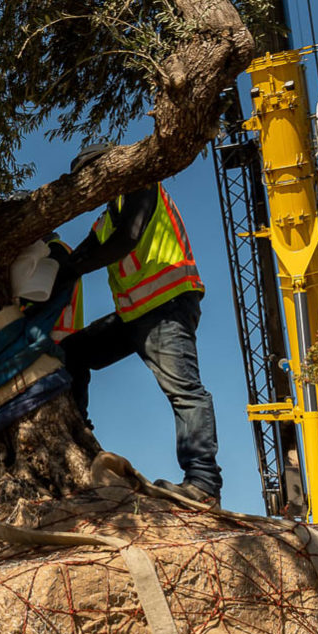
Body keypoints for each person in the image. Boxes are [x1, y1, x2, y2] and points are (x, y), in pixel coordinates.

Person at [56, 142, 222, 504]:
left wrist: (72, 268)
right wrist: (58, 268)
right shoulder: (108, 215)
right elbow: (85, 252)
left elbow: (126, 239)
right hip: (136, 314)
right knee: (73, 351)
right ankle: (78, 439)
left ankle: (204, 483)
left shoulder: (141, 185)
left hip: (167, 303)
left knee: (184, 391)